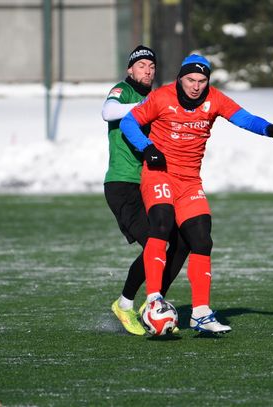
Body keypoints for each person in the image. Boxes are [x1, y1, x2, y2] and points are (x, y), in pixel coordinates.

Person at [120, 54, 273, 334]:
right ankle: (153, 299)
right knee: (161, 223)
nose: (196, 86)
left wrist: (268, 128)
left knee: (201, 238)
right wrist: (147, 148)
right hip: (159, 174)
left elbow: (243, 118)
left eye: (201, 81)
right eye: (190, 80)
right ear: (180, 78)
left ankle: (200, 313)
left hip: (189, 181)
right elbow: (128, 123)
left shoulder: (215, 99)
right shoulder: (161, 97)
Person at [101, 45, 189, 335]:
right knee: (155, 241)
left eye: (152, 66)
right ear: (130, 69)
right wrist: (147, 106)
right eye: (141, 66)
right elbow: (108, 111)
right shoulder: (123, 91)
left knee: (181, 241)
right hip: (123, 184)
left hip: (152, 183)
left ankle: (153, 304)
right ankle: (124, 304)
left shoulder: (157, 97)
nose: (148, 70)